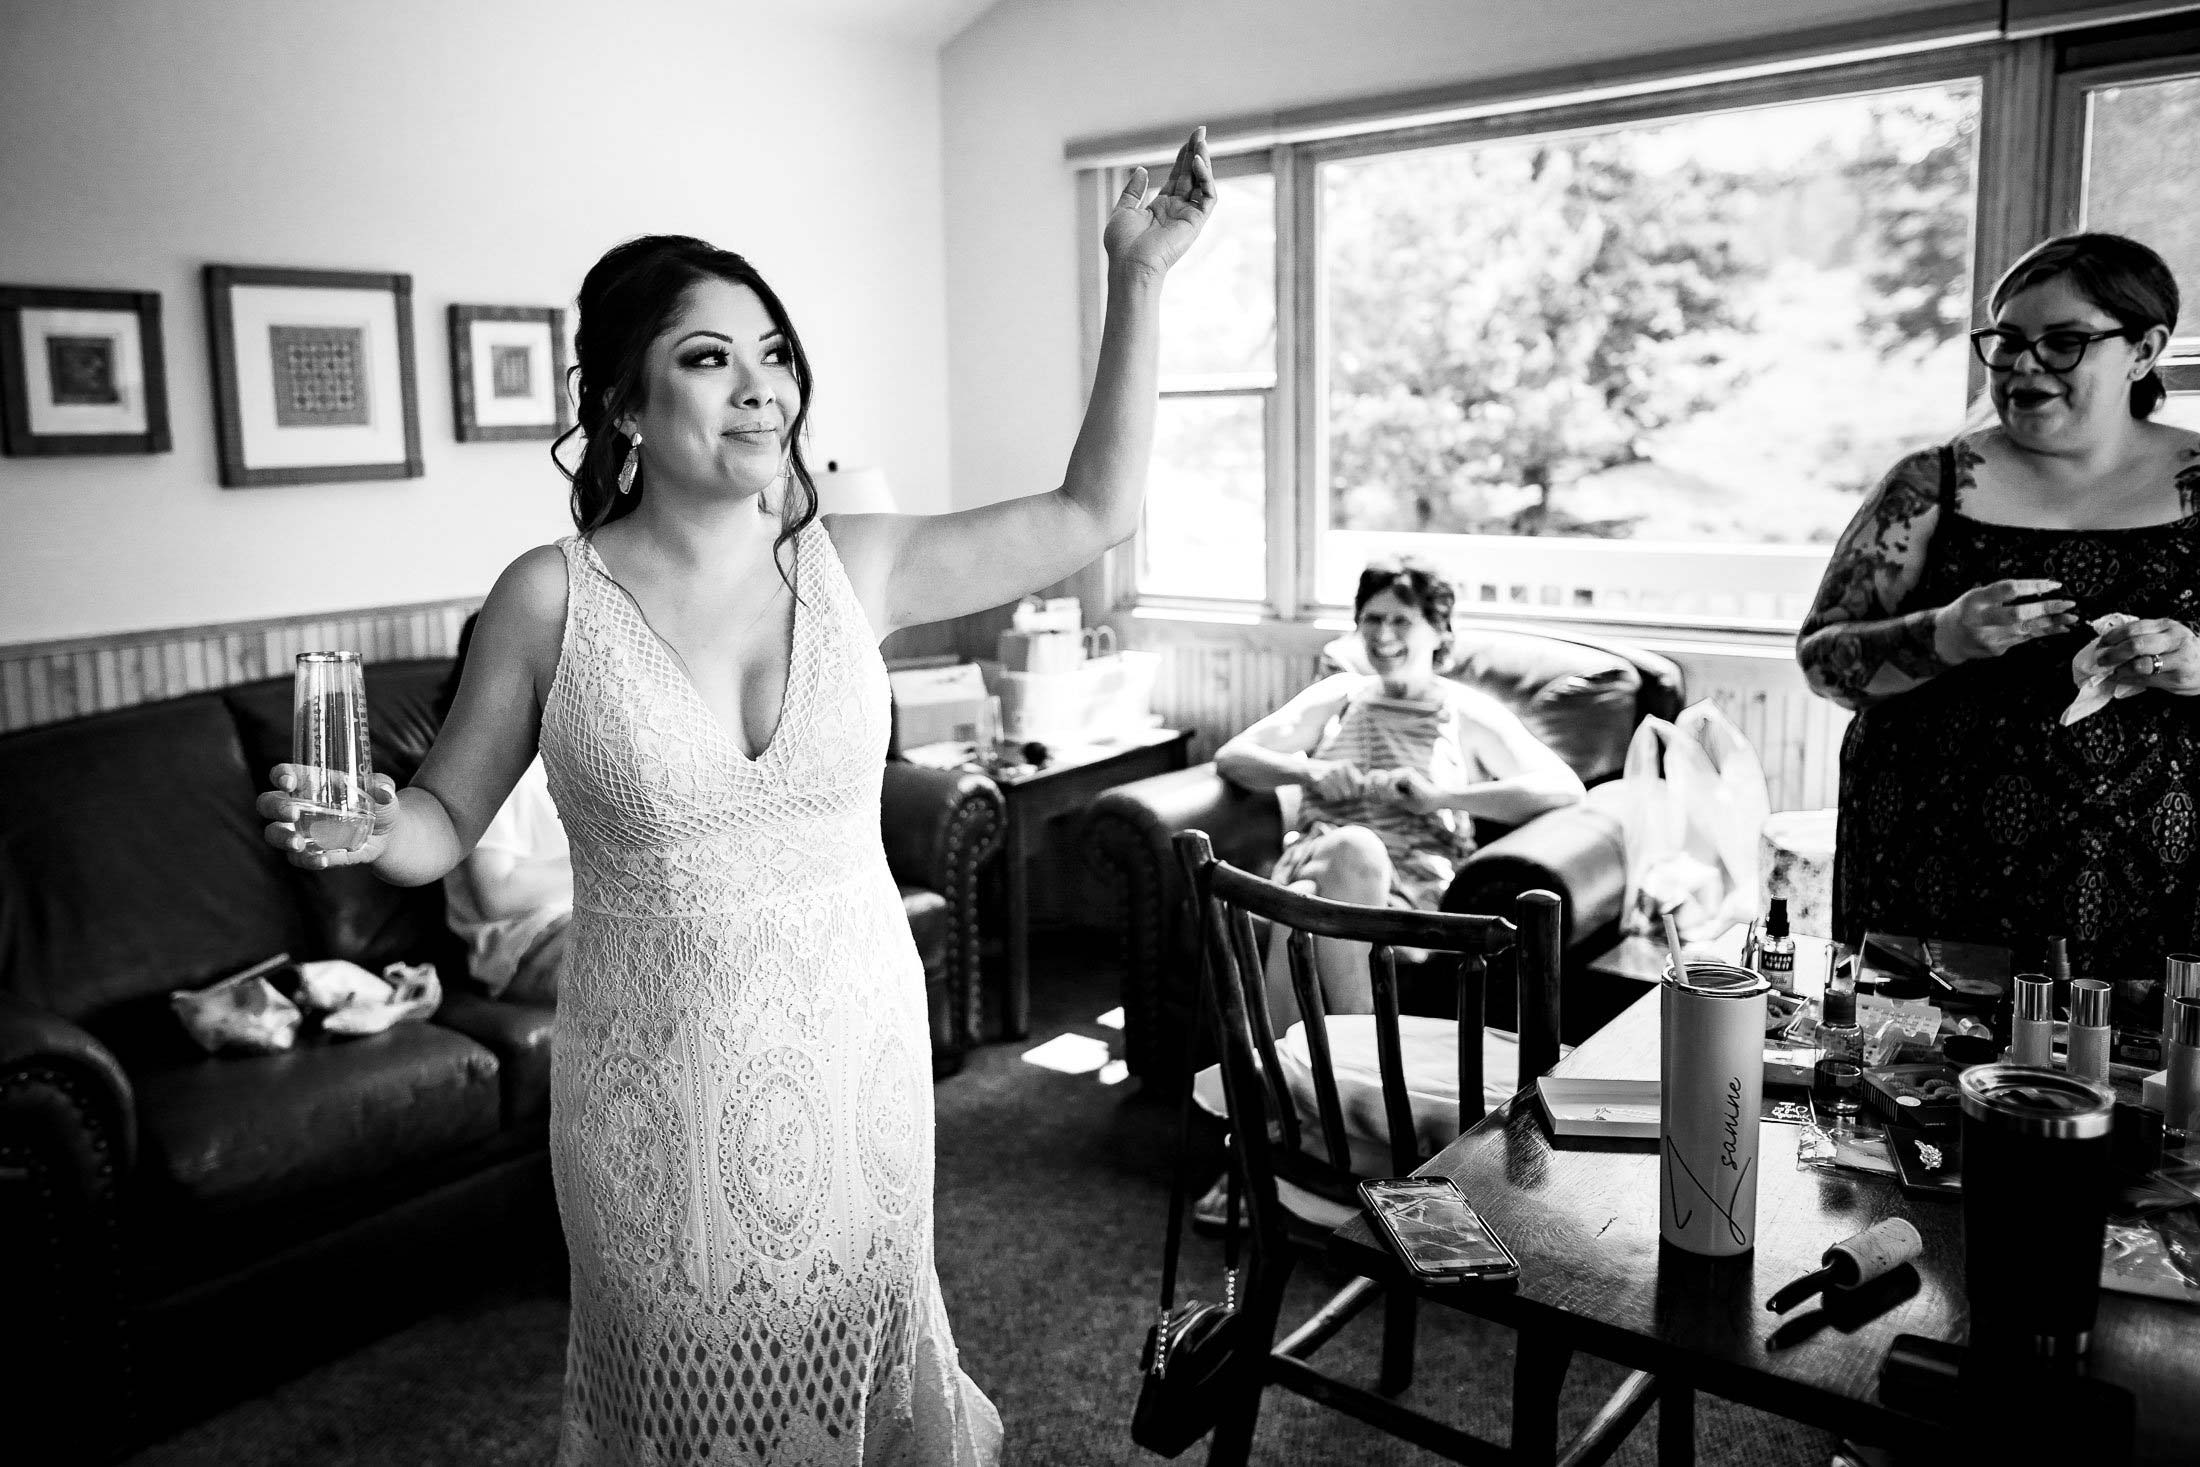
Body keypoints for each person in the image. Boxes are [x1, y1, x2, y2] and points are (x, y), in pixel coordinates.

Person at [258, 129, 1215, 1464]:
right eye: (711, 357)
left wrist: (1141, 274)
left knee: (865, 1371)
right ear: (628, 405)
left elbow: (1097, 503)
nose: (762, 388)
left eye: (773, 353)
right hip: (656, 1099)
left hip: (858, 1064)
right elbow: (438, 825)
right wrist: (368, 824)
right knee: (685, 1399)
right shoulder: (550, 596)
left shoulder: (858, 563)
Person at [1798, 231, 2200, 992]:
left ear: (2144, 350)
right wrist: (1941, 633)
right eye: (2007, 341)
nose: (2023, 366)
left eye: (2064, 342)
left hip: (2152, 896)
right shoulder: (1931, 485)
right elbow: (1824, 659)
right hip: (1928, 878)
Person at [1213, 559, 1586, 1017]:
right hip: (1325, 852)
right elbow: (1233, 757)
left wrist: (1442, 798)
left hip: (1413, 881)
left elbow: (1563, 788)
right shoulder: (1341, 694)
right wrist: (1309, 774)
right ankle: (1365, 1050)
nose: (1382, 635)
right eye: (1371, 619)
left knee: (1298, 912)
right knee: (1351, 849)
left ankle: (1276, 1072)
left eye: (1400, 621)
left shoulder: (1463, 711)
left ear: (1439, 631)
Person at [435, 613, 571, 1005]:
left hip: (588, 918)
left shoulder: (569, 744)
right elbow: (496, 894)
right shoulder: (483, 759)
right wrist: (617, 867)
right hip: (527, 945)